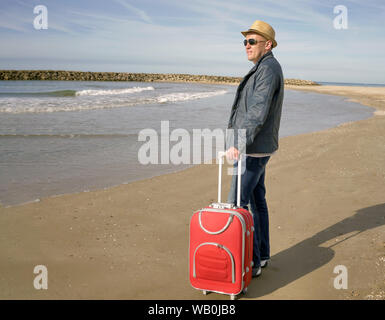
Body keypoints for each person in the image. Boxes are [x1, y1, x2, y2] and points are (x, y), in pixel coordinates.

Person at [226, 20, 284, 278]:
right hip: (258, 146)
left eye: (252, 42)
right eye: (245, 42)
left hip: (253, 148)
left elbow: (257, 112)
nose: (246, 46)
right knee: (258, 201)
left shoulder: (268, 69)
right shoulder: (264, 67)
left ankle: (252, 261)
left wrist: (239, 143)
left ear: (267, 44)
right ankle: (262, 255)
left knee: (237, 203)